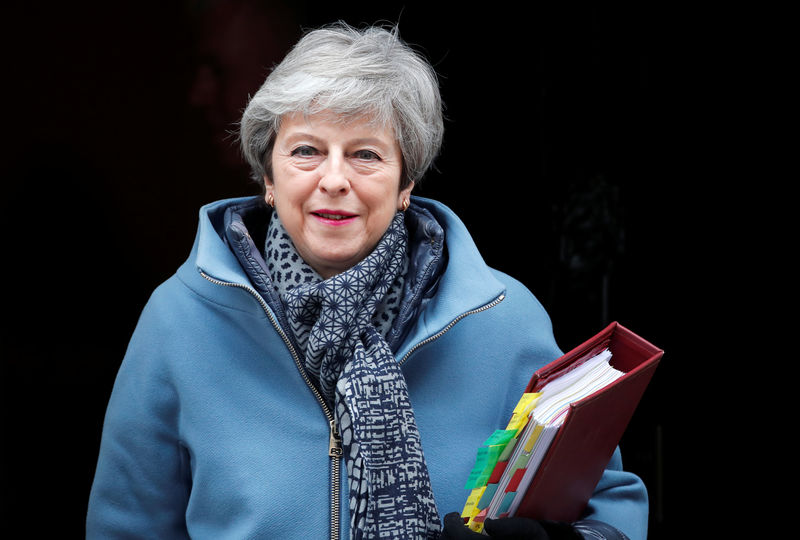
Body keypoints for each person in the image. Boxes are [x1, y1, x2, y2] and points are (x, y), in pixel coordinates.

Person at [86, 23, 649, 540]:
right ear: (267, 177)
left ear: (406, 182)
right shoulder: (180, 319)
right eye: (306, 151)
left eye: (366, 155)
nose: (335, 179)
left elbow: (610, 506)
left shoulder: (503, 317)